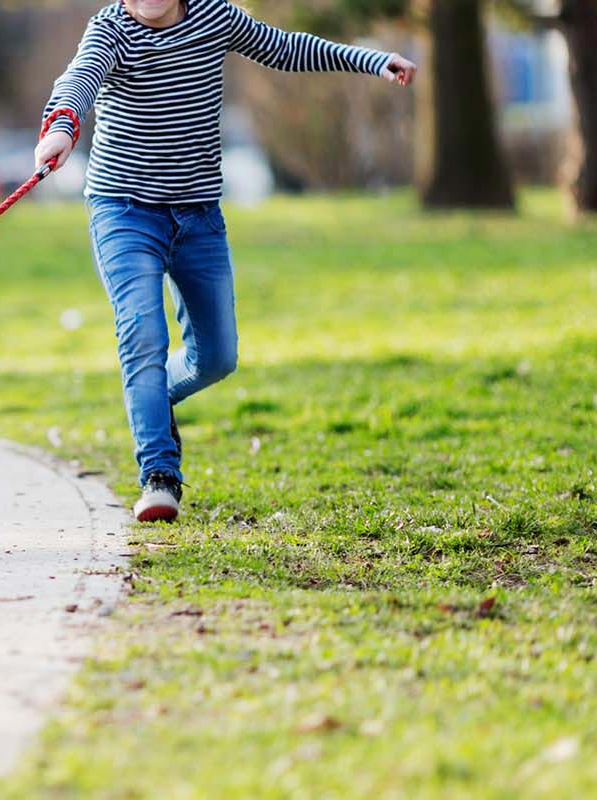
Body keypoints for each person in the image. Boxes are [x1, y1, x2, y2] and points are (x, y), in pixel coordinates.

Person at [34, 0, 416, 523]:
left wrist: (370, 59)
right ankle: (160, 476)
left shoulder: (215, 18)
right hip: (124, 211)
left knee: (216, 357)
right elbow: (80, 78)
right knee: (143, 337)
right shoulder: (111, 29)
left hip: (198, 216)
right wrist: (61, 127)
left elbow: (286, 48)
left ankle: (148, 397)